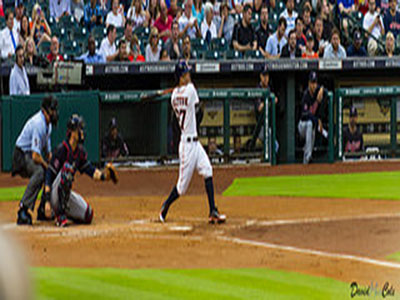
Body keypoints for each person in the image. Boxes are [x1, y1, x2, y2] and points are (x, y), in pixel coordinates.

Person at [159, 60, 226, 224]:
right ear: (181, 77)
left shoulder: (174, 95)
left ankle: (212, 211)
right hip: (187, 146)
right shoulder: (189, 90)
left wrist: (179, 87)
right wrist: (184, 87)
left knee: (208, 170)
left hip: (195, 143)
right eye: (186, 74)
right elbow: (198, 109)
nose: (189, 75)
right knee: (181, 188)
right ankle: (165, 206)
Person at [43, 114, 118, 227]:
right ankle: (59, 215)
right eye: (79, 129)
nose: (82, 132)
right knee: (67, 169)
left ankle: (66, 212)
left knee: (88, 215)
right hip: (53, 195)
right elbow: (49, 176)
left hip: (65, 195)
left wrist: (104, 176)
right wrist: (47, 201)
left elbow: (91, 171)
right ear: (72, 132)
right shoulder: (61, 150)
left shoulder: (79, 152)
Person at [12, 96, 59, 225]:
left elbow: (48, 153)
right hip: (21, 156)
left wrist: (53, 166)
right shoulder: (39, 123)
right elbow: (35, 156)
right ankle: (23, 209)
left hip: (29, 154)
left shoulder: (48, 125)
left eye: (55, 110)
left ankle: (43, 209)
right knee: (40, 172)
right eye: (52, 110)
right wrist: (46, 166)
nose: (54, 113)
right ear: (44, 111)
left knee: (49, 173)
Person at [298, 71, 327, 164]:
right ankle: (308, 156)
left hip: (312, 127)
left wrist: (322, 89)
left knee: (312, 129)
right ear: (309, 83)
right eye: (312, 83)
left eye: (315, 83)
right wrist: (318, 120)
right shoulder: (305, 95)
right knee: (310, 124)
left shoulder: (317, 90)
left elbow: (326, 91)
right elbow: (304, 115)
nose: (314, 85)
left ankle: (306, 162)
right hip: (302, 126)